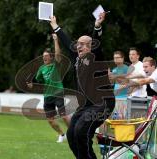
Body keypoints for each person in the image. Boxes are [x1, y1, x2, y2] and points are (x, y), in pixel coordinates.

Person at [49, 14, 115, 159]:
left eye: (84, 44)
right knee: (72, 134)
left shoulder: (95, 56)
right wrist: (55, 25)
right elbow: (66, 42)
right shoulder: (76, 58)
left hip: (103, 103)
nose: (79, 46)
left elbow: (97, 40)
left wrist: (97, 26)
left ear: (92, 47)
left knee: (81, 130)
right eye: (78, 43)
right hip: (86, 105)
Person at [27, 34, 70, 143]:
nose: (44, 58)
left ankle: (73, 132)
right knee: (50, 121)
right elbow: (39, 81)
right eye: (43, 56)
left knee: (64, 116)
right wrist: (32, 85)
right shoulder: (41, 69)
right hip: (47, 96)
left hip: (58, 92)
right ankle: (61, 134)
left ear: (51, 57)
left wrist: (56, 40)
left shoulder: (56, 65)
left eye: (46, 56)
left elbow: (58, 54)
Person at [109, 51, 128, 119]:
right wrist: (109, 78)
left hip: (123, 98)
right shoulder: (114, 70)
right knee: (115, 118)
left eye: (117, 58)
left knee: (121, 118)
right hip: (115, 97)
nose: (115, 59)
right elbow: (112, 83)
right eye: (114, 58)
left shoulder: (126, 69)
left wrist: (118, 89)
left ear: (122, 58)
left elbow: (127, 83)